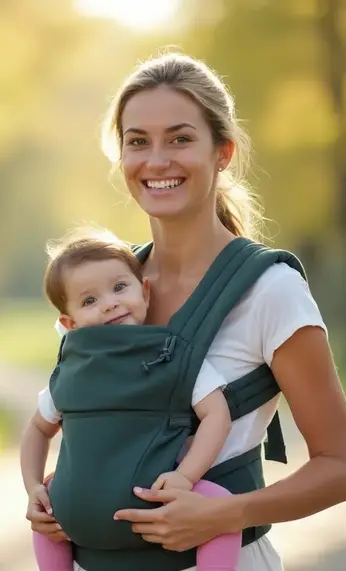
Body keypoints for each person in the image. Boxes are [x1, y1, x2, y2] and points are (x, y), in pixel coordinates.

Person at [25, 51, 346, 571]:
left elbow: (341, 469)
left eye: (180, 139)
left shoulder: (269, 291)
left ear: (222, 152)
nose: (156, 161)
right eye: (137, 141)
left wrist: (222, 514)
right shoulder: (103, 293)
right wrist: (48, 496)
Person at [21, 227, 243, 571]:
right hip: (148, 500)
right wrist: (185, 478)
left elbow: (38, 428)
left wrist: (36, 486)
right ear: (70, 323)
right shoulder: (172, 355)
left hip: (80, 510)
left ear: (145, 291)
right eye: (89, 300)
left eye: (119, 287)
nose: (110, 303)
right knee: (222, 510)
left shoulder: (73, 368)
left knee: (47, 515)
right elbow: (217, 414)